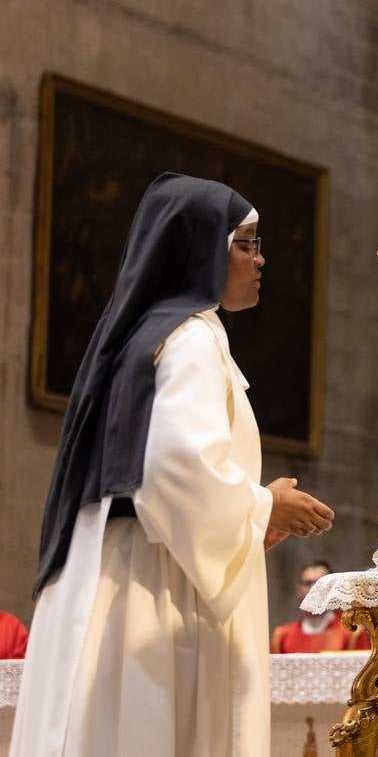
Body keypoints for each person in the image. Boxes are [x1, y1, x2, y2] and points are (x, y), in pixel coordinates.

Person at [11, 173, 335, 757]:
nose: (260, 261)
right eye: (247, 244)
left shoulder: (144, 335)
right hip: (156, 590)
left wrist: (249, 520)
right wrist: (263, 504)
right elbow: (176, 467)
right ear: (200, 250)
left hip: (129, 564)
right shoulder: (189, 340)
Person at [271, 559, 369, 652]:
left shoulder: (352, 633)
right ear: (299, 590)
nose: (313, 589)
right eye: (308, 583)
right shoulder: (282, 636)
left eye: (320, 583)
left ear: (332, 589)